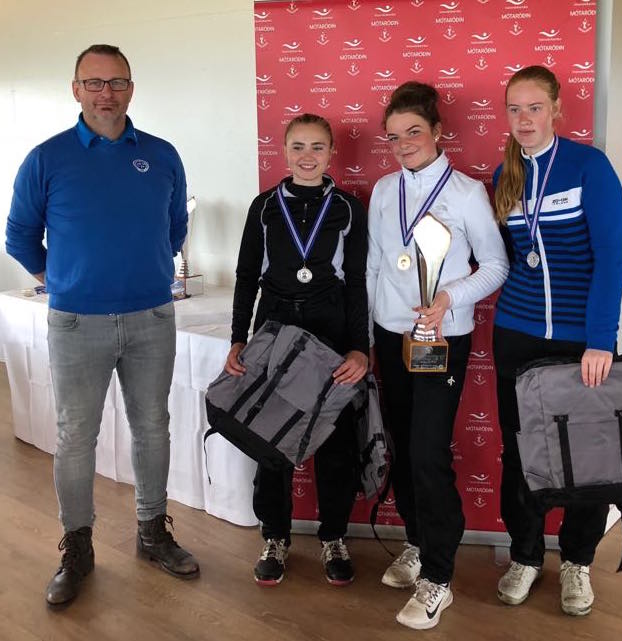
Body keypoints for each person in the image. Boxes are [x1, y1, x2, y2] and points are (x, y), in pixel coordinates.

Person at [5, 44, 199, 608]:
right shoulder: (47, 158)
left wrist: (143, 273)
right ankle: (78, 547)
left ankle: (152, 531)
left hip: (151, 317)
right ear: (76, 89)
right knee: (74, 437)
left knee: (153, 427)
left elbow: (174, 227)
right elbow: (20, 236)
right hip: (75, 322)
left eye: (116, 82)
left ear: (131, 89)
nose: (105, 93)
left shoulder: (161, 155)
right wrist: (62, 278)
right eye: (94, 82)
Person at [367, 81, 508, 630]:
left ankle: (439, 577)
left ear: (437, 132)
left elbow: (495, 266)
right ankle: (418, 541)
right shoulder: (384, 191)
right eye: (393, 137)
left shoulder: (467, 193)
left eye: (414, 133)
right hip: (391, 336)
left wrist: (450, 298)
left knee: (428, 453)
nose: (403, 144)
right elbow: (375, 266)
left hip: (441, 339)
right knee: (403, 448)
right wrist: (370, 332)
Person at [492, 65, 622, 616]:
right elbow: (505, 258)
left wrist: (601, 339)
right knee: (521, 454)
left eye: (534, 108)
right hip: (515, 334)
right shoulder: (503, 175)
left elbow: (612, 258)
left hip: (579, 342)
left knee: (586, 457)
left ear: (556, 110)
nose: (524, 119)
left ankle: (577, 560)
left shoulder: (589, 166)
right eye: (515, 109)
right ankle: (525, 555)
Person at [225, 113, 368, 586]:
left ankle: (334, 536)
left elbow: (357, 283)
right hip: (275, 327)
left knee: (334, 441)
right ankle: (275, 535)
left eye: (318, 147)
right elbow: (247, 276)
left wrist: (359, 348)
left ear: (332, 153)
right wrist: (238, 338)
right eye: (299, 147)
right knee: (271, 438)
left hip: (330, 331)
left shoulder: (348, 208)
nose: (308, 156)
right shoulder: (264, 207)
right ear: (284, 152)